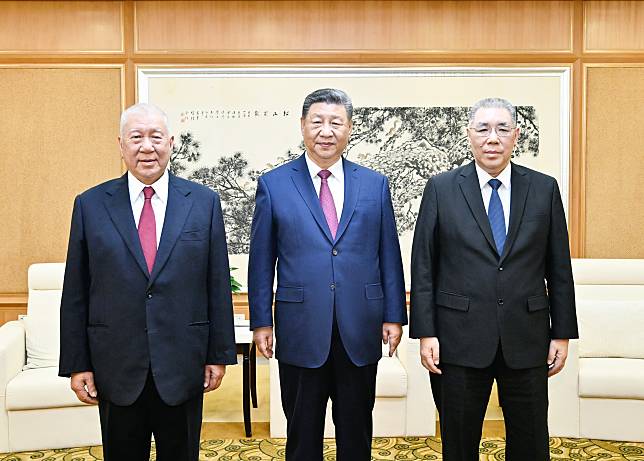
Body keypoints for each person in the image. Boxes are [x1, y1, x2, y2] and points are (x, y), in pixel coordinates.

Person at [59, 103, 237, 461]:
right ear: (121, 144)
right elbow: (76, 290)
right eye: (136, 137)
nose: (147, 147)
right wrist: (78, 363)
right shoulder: (91, 204)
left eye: (156, 137)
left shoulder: (203, 203)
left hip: (183, 364)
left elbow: (216, 284)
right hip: (116, 365)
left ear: (171, 143)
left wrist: (218, 354)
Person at [410, 97, 578, 460]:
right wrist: (426, 332)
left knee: (531, 441)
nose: (492, 138)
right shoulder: (441, 188)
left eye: (502, 129)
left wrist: (561, 333)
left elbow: (559, 268)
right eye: (483, 129)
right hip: (458, 337)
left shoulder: (543, 188)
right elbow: (424, 265)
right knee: (458, 441)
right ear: (469, 135)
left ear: (515, 135)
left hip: (527, 335)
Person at [248, 88, 407, 461]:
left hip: (360, 326)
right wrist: (261, 321)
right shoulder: (274, 184)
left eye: (336, 122)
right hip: (301, 326)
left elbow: (389, 254)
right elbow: (261, 260)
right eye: (317, 121)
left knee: (356, 433)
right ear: (302, 126)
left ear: (349, 128)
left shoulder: (374, 184)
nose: (326, 130)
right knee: (302, 435)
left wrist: (394, 315)